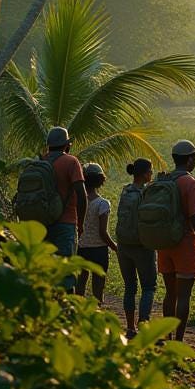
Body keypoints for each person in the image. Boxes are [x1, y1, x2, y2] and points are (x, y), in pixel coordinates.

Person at [158, 140, 195, 341]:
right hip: (185, 243)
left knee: (169, 294)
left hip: (163, 244)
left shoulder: (163, 181)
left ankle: (167, 336)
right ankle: (178, 342)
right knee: (184, 296)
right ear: (188, 160)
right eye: (194, 157)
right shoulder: (191, 183)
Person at [116, 158, 157, 339]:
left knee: (129, 287)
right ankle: (143, 325)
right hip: (142, 246)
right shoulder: (145, 193)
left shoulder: (126, 190)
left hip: (124, 245)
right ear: (146, 174)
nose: (152, 174)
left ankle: (130, 328)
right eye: (151, 171)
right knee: (148, 287)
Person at [42, 127, 87, 288]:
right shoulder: (71, 162)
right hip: (66, 223)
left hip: (43, 225)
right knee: (66, 275)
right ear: (66, 146)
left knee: (46, 274)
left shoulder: (41, 162)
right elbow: (82, 196)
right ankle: (67, 311)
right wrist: (80, 224)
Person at [76, 162, 116, 302]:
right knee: (98, 286)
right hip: (99, 250)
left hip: (80, 248)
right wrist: (115, 247)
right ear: (100, 181)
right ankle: (96, 312)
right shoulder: (102, 204)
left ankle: (77, 313)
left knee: (80, 283)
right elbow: (103, 233)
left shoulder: (77, 201)